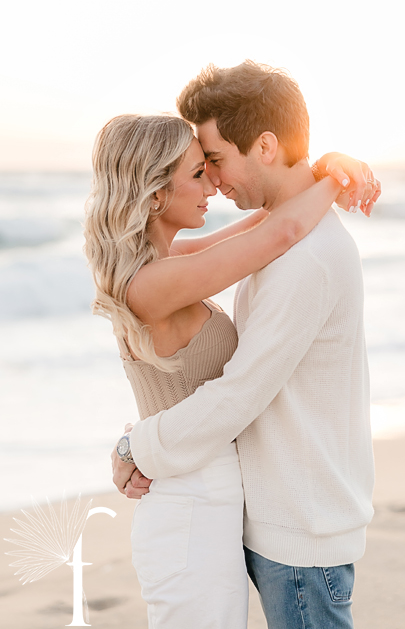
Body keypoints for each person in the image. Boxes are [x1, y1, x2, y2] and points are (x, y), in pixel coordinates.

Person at [88, 63, 378, 628]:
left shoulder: (301, 260)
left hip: (284, 521)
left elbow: (270, 231)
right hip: (208, 508)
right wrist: (331, 176)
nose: (213, 184)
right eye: (198, 171)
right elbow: (275, 230)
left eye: (213, 162)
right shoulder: (162, 274)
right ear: (152, 195)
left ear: (265, 146)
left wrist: (327, 173)